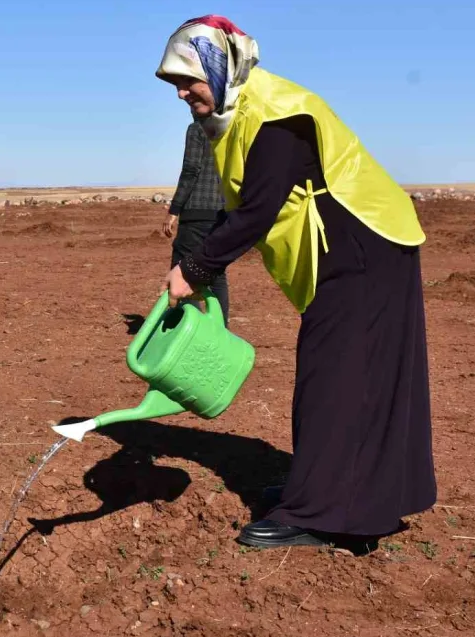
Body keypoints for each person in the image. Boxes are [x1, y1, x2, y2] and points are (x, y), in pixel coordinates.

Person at [156, 16, 434, 548]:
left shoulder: (274, 114)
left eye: (187, 79)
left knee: (336, 379)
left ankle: (323, 513)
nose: (181, 94)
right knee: (343, 377)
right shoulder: (241, 114)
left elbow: (256, 212)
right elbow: (244, 206)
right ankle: (326, 487)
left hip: (363, 246)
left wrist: (193, 270)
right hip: (353, 249)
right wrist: (194, 263)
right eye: (174, 84)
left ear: (217, 67)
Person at [163, 119, 229, 324]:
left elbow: (191, 169)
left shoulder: (197, 128)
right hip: (223, 211)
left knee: (183, 271)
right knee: (216, 274)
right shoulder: (230, 127)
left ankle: (188, 329)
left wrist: (174, 210)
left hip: (196, 211)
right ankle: (220, 332)